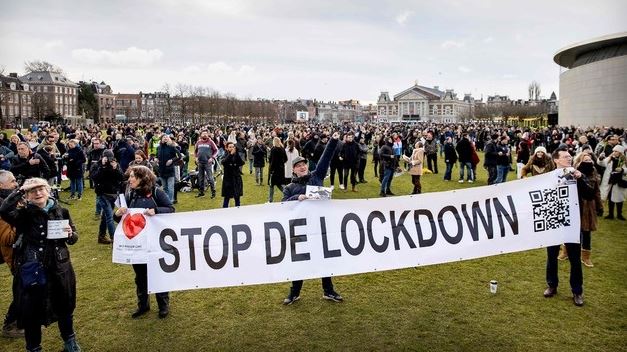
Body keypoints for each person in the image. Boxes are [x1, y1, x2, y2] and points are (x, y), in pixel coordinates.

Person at [0, 177, 81, 351]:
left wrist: (70, 235)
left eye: (41, 189)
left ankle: (70, 342)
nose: (38, 193)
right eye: (32, 191)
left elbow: (74, 237)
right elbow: (4, 210)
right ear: (27, 196)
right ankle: (34, 348)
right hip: (33, 268)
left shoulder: (62, 211)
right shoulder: (23, 215)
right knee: (31, 312)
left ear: (48, 191)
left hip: (60, 267)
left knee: (65, 306)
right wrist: (21, 189)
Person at [282, 131, 343, 305]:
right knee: (300, 262)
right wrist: (297, 198)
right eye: (298, 166)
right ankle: (294, 292)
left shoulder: (316, 176)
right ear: (293, 169)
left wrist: (333, 140)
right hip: (301, 229)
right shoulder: (290, 188)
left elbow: (326, 157)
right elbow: (282, 206)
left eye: (304, 164)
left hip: (320, 226)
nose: (302, 167)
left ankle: (328, 291)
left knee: (324, 258)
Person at [114, 165, 174, 319]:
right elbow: (120, 218)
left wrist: (157, 211)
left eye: (132, 176)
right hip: (137, 245)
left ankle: (163, 305)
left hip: (154, 243)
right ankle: (143, 305)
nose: (129, 179)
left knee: (157, 273)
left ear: (142, 178)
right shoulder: (129, 194)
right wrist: (117, 213)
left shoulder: (156, 192)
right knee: (140, 276)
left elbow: (171, 209)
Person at [543, 148, 585, 306]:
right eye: (565, 157)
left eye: (570, 156)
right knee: (551, 256)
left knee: (574, 259)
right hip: (553, 222)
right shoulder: (548, 177)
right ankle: (552, 285)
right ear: (556, 160)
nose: (569, 158)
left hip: (572, 223)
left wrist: (580, 178)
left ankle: (577, 291)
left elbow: (589, 192)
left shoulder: (576, 174)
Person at [0, 171, 23, 339]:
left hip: (19, 253)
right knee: (23, 289)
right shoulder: (1, 205)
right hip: (13, 255)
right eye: (12, 181)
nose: (16, 184)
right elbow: (7, 238)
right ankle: (10, 325)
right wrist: (23, 223)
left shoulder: (10, 200)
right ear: (1, 185)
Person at [573, 153, 603, 267]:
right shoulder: (574, 172)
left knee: (586, 231)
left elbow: (596, 191)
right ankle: (566, 251)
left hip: (588, 205)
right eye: (585, 160)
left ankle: (586, 257)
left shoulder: (593, 172)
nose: (588, 162)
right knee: (572, 230)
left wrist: (599, 205)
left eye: (590, 159)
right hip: (576, 203)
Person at [91, 150, 124, 244]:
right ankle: (114, 238)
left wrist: (115, 169)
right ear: (102, 157)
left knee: (105, 216)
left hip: (113, 194)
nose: (108, 160)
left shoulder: (115, 164)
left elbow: (121, 178)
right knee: (110, 216)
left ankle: (101, 236)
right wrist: (102, 166)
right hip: (102, 194)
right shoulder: (97, 165)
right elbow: (94, 177)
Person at [598, 145, 626, 220]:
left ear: (620, 152)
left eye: (616, 151)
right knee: (610, 197)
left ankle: (619, 214)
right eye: (613, 151)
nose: (614, 152)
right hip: (610, 180)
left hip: (619, 180)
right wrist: (600, 158)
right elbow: (602, 163)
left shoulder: (624, 160)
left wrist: (622, 170)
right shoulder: (610, 158)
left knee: (619, 198)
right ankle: (611, 214)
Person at [156, 134, 181, 202]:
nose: (165, 138)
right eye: (164, 137)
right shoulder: (158, 148)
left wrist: (171, 160)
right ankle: (166, 200)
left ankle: (171, 200)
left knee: (170, 187)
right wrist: (156, 159)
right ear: (161, 139)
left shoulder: (171, 147)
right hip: (162, 170)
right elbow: (156, 156)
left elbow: (179, 156)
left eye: (166, 137)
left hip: (170, 170)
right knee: (164, 187)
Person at [194, 131, 218, 198]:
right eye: (203, 133)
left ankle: (213, 192)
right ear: (201, 135)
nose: (204, 135)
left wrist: (212, 157)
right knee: (201, 178)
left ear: (208, 135)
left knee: (210, 178)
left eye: (206, 134)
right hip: (200, 162)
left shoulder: (211, 142)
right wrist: (196, 157)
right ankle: (201, 192)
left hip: (208, 162)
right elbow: (195, 151)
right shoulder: (198, 142)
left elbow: (216, 150)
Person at [221, 142, 245, 208]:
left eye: (233, 147)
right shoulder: (225, 155)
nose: (232, 148)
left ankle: (238, 210)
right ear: (227, 148)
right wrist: (230, 154)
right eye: (230, 147)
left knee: (237, 197)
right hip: (228, 180)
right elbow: (224, 162)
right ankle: (224, 211)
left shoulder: (236, 155)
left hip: (236, 178)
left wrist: (236, 154)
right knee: (227, 198)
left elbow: (242, 163)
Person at [268, 137, 287, 202]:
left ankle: (270, 200)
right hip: (281, 169)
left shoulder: (273, 149)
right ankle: (287, 193)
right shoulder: (282, 148)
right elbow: (286, 158)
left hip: (274, 170)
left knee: (271, 185)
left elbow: (272, 160)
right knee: (280, 184)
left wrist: (271, 170)